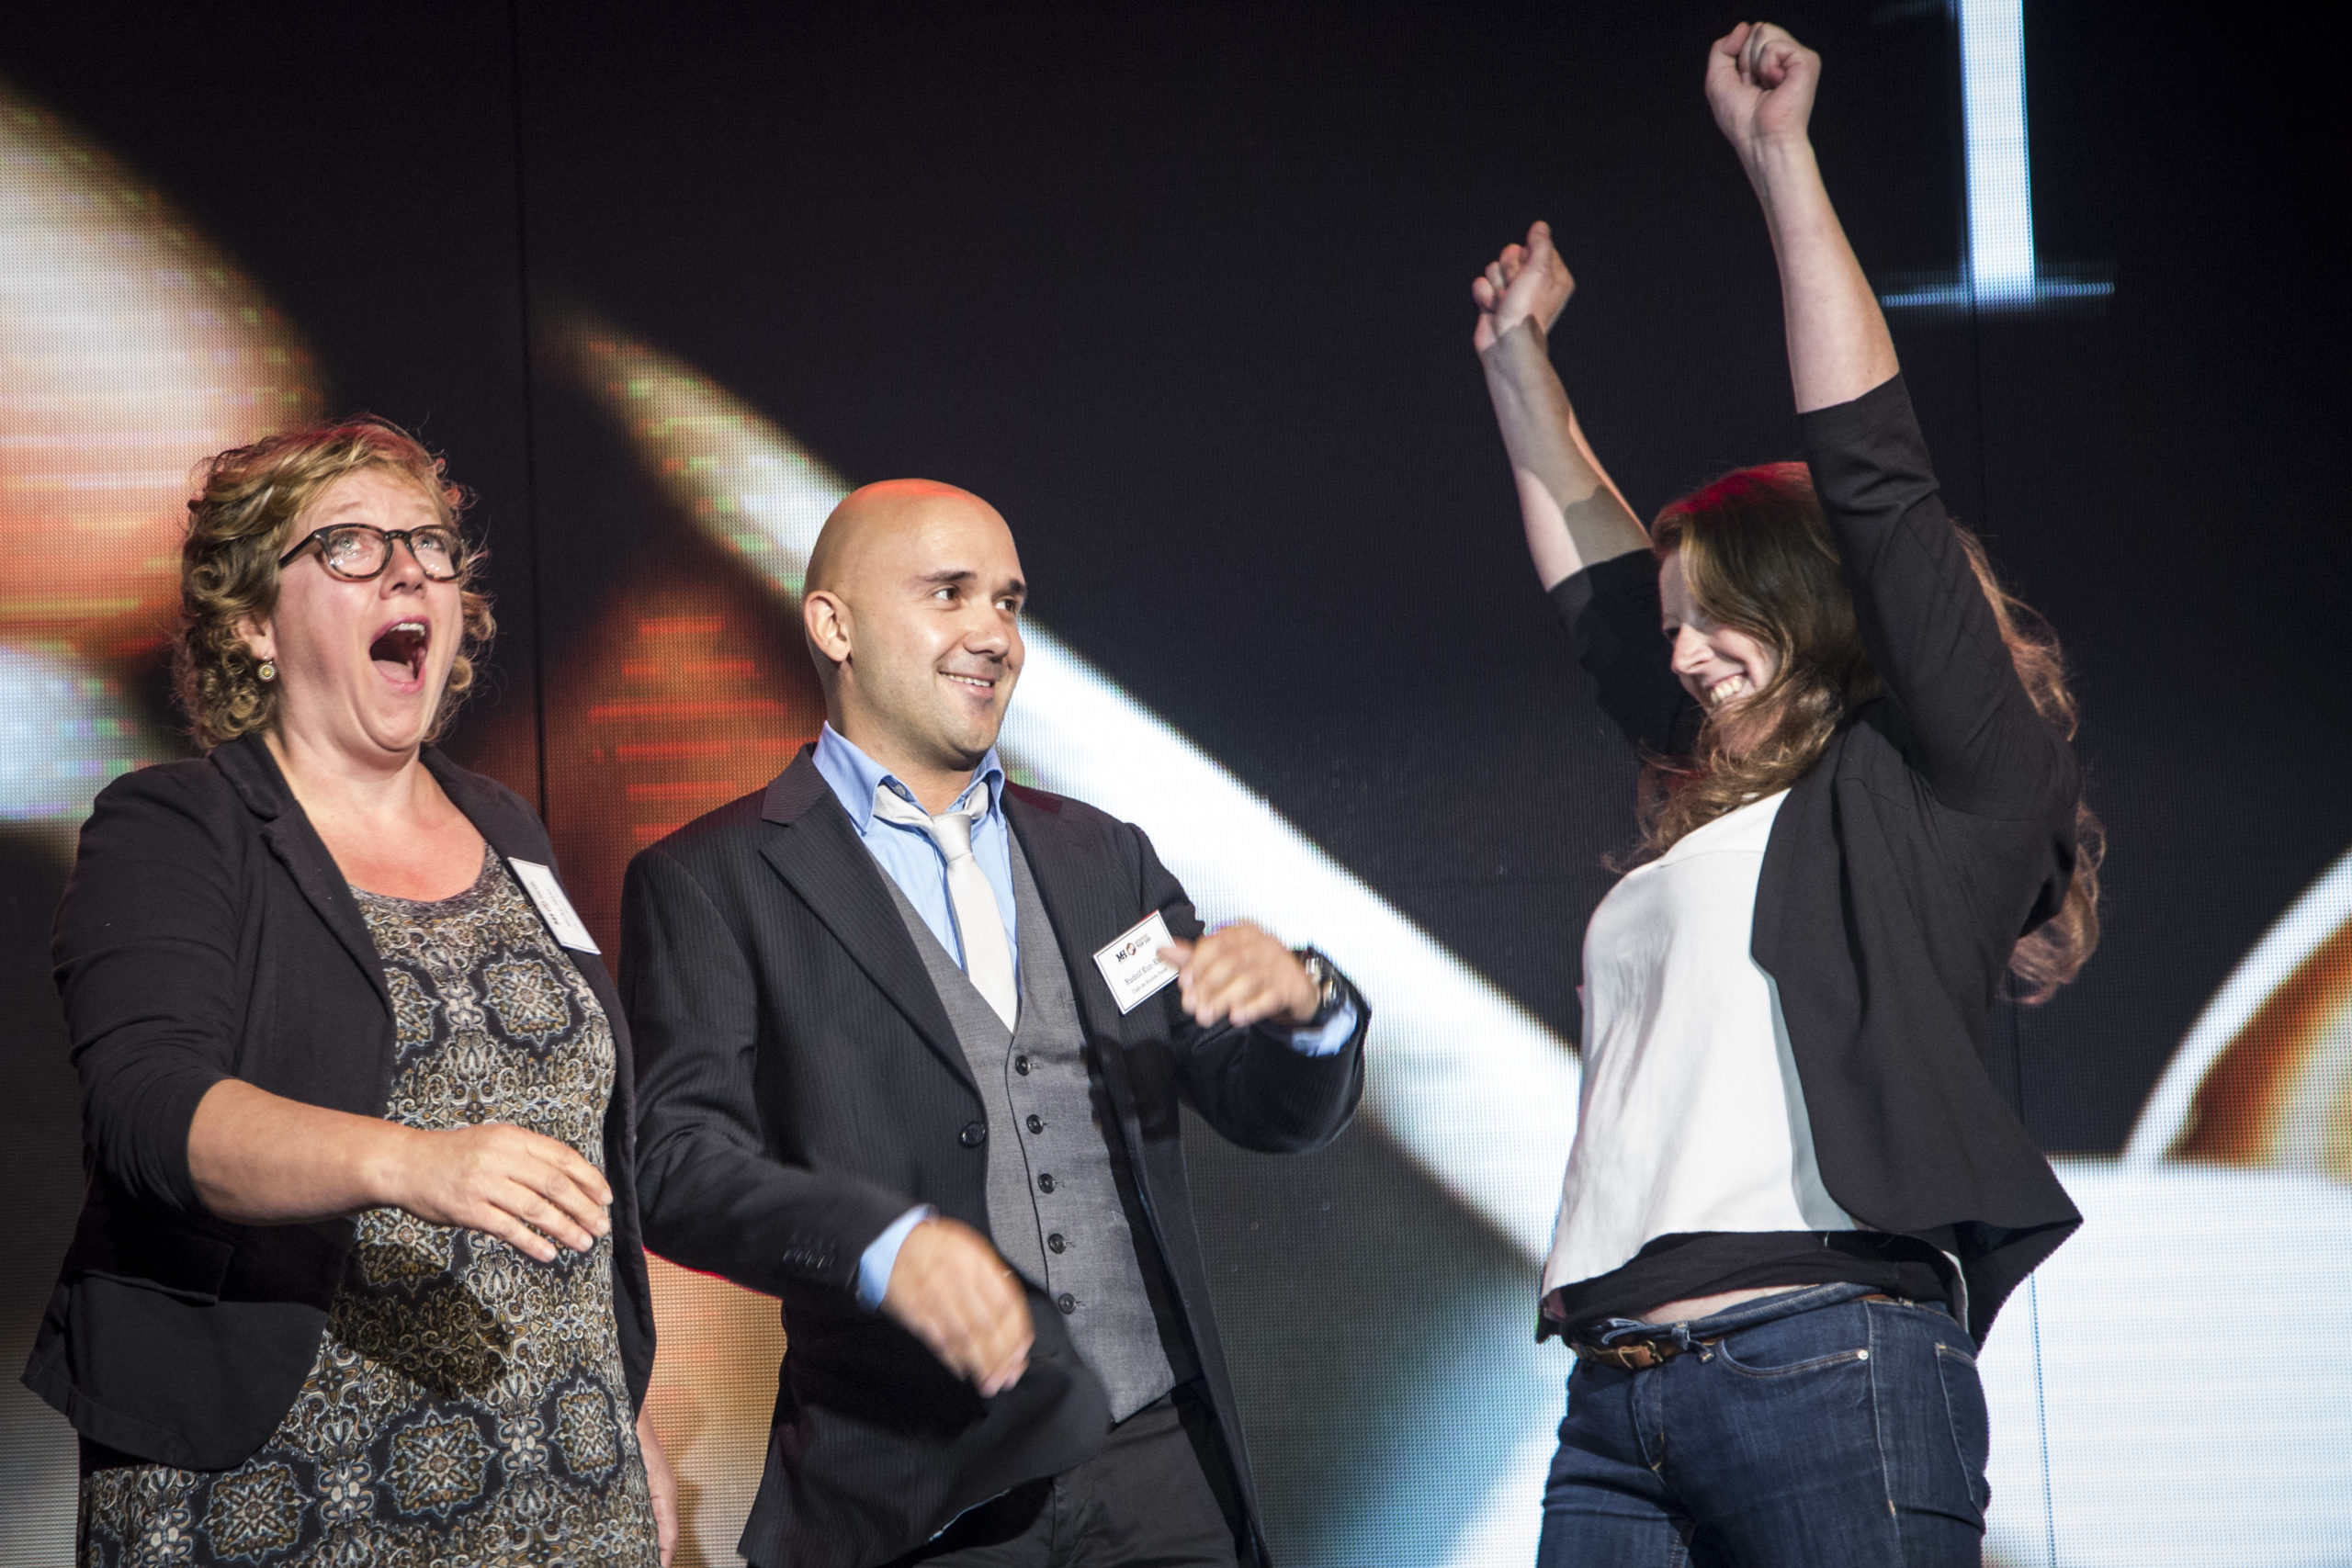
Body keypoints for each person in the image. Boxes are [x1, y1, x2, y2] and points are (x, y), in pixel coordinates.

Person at [1472, 22, 2101, 1566]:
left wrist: (1779, 162)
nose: (1682, 654)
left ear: (1817, 606)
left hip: (1827, 1362)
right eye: (1677, 621)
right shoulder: (1710, 785)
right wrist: (1512, 363)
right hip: (1614, 1400)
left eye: (1718, 613)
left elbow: (1874, 475)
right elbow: (1605, 602)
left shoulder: (1940, 787)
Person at [622, 478, 1370, 1568]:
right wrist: (878, 1246)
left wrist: (1307, 1015)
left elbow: (1260, 1106)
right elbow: (678, 1163)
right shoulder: (713, 878)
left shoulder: (1101, 856)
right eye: (950, 593)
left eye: (1009, 603)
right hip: (917, 1490)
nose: (993, 635)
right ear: (833, 624)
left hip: (1160, 1467)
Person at [28, 420, 677, 1565]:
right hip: (290, 1490)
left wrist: (631, 1432)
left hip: (566, 1484)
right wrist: (410, 1161)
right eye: (350, 547)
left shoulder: (505, 825)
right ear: (250, 625)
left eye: (429, 543)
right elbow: (147, 1110)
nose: (410, 567)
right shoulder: (179, 824)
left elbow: (583, 1139)